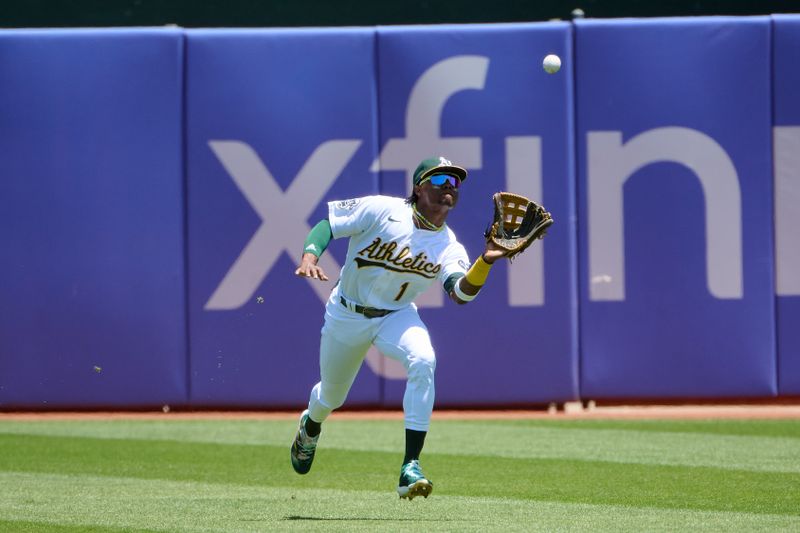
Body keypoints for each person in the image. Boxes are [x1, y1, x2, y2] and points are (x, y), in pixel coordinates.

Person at [290, 156, 511, 500]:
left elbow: (461, 293)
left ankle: (411, 465)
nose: (447, 189)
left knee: (423, 360)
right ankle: (311, 425)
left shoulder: (448, 246)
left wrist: (484, 262)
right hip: (347, 312)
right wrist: (309, 255)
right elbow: (329, 225)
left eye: (453, 183)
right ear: (418, 188)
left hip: (396, 315)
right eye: (438, 181)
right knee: (332, 396)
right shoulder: (381, 209)